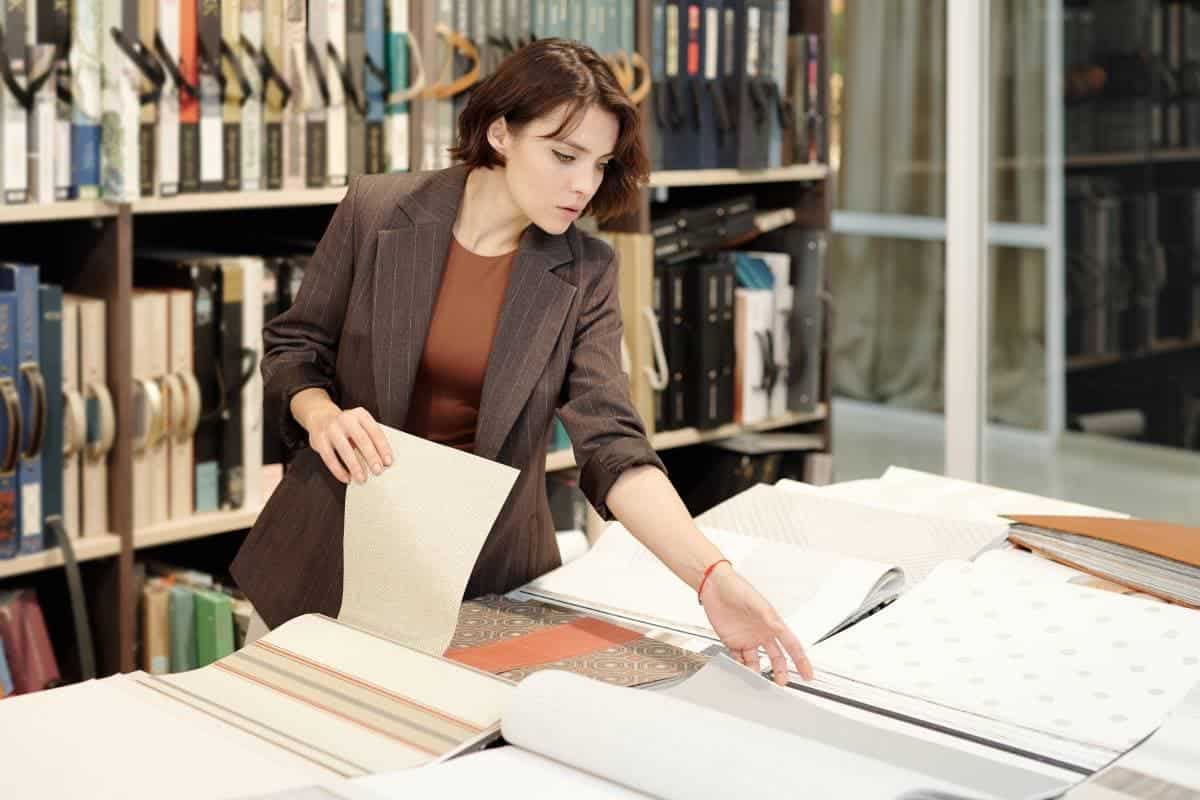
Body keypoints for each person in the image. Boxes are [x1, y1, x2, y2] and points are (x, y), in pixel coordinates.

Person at [230, 38, 813, 684]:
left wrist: (711, 577)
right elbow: (294, 348)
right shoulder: (377, 210)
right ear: (501, 133)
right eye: (563, 155)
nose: (584, 184)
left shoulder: (586, 271)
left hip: (484, 581)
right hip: (326, 554)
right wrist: (322, 416)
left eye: (599, 163)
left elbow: (612, 444)